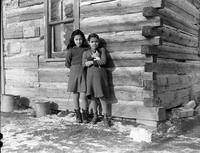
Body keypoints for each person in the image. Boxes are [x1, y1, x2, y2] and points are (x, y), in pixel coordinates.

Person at [82, 33, 111, 127]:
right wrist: (93, 59)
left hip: (100, 76)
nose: (94, 43)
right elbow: (84, 64)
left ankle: (105, 117)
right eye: (92, 42)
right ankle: (95, 115)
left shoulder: (102, 50)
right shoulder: (86, 52)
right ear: (89, 42)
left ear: (98, 42)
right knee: (93, 97)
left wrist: (92, 61)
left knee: (101, 96)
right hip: (90, 77)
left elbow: (103, 62)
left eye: (96, 41)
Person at [65, 29, 89, 123]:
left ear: (83, 39)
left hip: (84, 74)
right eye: (76, 39)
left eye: (80, 39)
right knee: (75, 95)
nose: (78, 41)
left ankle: (85, 115)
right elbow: (67, 63)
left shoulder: (86, 50)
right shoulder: (71, 51)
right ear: (73, 40)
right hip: (74, 74)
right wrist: (73, 69)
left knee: (83, 96)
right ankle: (78, 115)